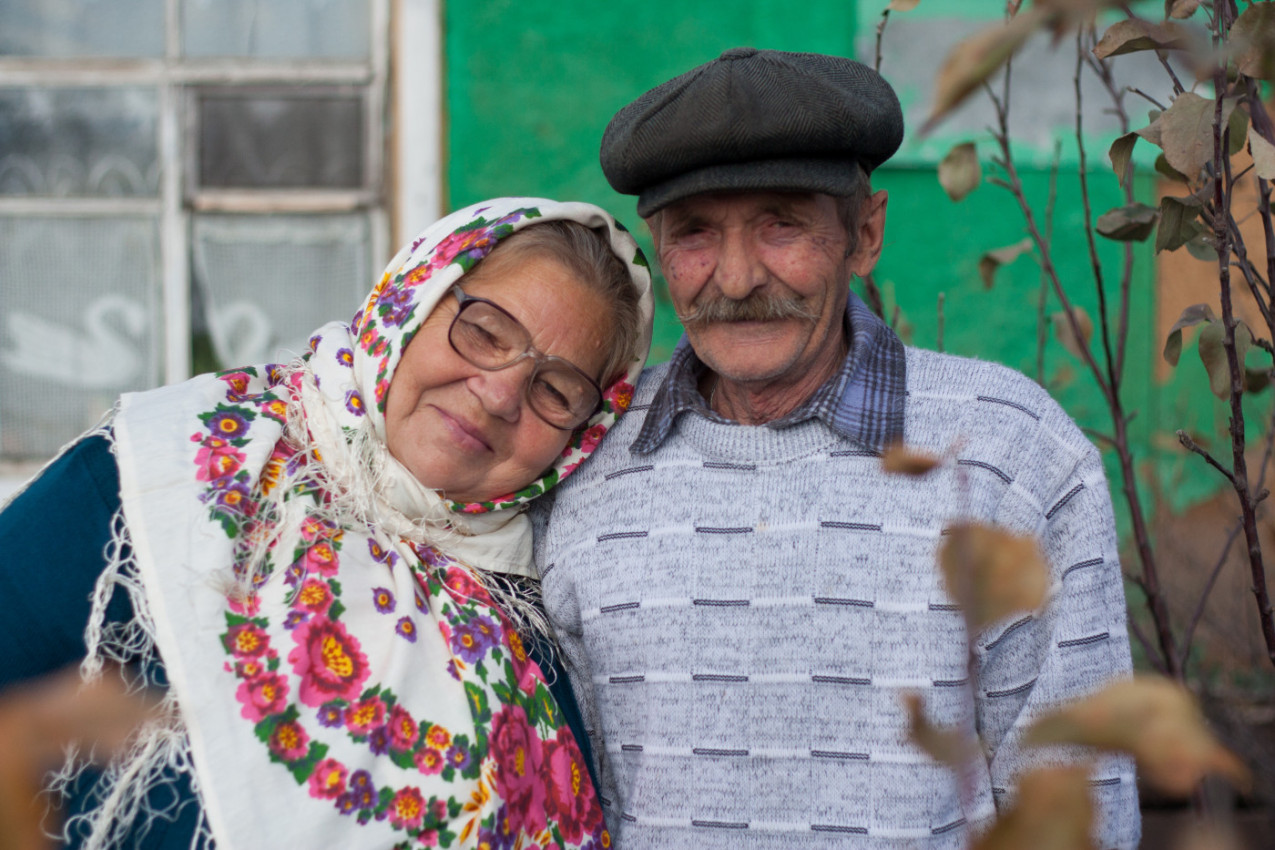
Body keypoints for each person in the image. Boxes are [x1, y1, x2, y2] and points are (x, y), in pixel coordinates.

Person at [533, 49, 1140, 848]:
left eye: (781, 223)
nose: (738, 276)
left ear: (865, 235)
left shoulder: (1009, 450)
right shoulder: (586, 450)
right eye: (695, 233)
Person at [0, 197, 653, 849]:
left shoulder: (548, 613)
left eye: (556, 391)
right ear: (412, 301)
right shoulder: (165, 478)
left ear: (582, 432)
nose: (499, 393)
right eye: (484, 332)